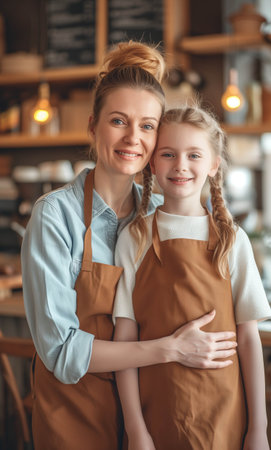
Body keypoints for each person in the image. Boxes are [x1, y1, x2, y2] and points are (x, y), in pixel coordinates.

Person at [21, 42, 238, 450]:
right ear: (93, 126)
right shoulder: (54, 217)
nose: (133, 138)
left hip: (151, 412)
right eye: (119, 121)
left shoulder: (162, 214)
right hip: (76, 415)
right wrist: (170, 350)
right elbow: (63, 353)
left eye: (147, 125)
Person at [113, 105, 271, 450]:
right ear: (152, 163)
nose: (180, 165)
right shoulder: (135, 237)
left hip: (226, 417)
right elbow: (124, 340)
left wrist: (257, 430)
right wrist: (136, 430)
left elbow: (248, 340)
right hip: (156, 417)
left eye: (194, 155)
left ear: (214, 164)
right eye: (168, 154)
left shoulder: (232, 240)